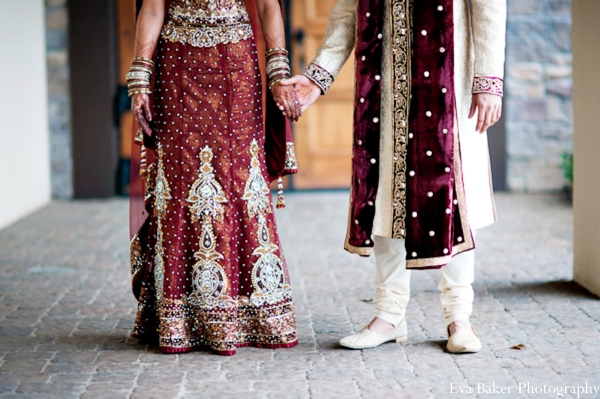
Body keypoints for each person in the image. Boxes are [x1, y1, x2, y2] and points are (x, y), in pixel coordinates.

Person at [284, 0, 506, 353]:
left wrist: (489, 81)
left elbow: (489, 8)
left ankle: (459, 318)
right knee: (385, 199)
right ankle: (388, 317)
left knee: (456, 203)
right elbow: (348, 13)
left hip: (453, 88)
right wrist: (317, 77)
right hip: (384, 93)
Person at [128, 0, 301, 356]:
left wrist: (279, 74)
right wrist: (140, 78)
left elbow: (269, 5)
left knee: (238, 176)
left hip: (235, 67)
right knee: (180, 180)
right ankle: (177, 315)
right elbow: (153, 7)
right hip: (177, 66)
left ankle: (251, 313)